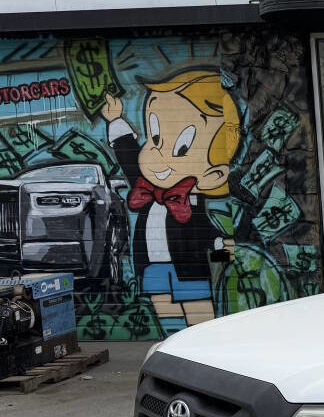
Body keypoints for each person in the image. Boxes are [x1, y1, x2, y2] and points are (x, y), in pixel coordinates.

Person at [103, 68, 240, 334]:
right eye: (155, 138)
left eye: (181, 148)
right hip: (153, 267)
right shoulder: (146, 187)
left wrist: (222, 248)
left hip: (189, 269)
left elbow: (205, 232)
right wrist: (116, 119)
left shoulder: (191, 202)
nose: (156, 153)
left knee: (199, 317)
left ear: (213, 175)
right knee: (167, 318)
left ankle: (204, 348)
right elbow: (129, 158)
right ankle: (172, 348)